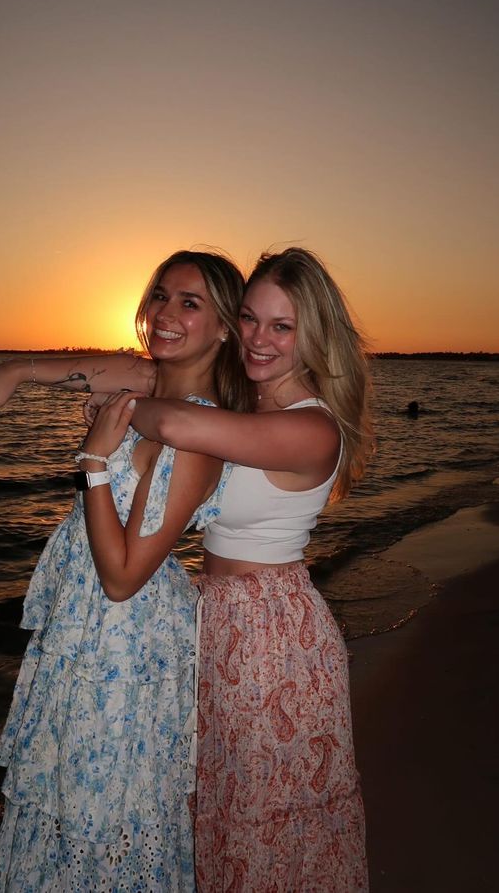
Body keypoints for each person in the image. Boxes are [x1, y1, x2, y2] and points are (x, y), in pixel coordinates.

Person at [0, 251, 252, 892]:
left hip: (126, 637)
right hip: (84, 627)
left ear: (227, 327)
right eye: (161, 295)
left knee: (105, 809)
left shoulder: (196, 432)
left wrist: (95, 463)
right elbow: (81, 366)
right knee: (65, 795)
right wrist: (12, 372)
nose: (166, 314)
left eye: (190, 303)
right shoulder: (146, 382)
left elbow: (124, 574)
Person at [116, 247, 372, 892]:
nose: (259, 339)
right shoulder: (242, 406)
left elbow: (173, 418)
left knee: (266, 823)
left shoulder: (313, 429)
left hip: (272, 639)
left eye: (282, 327)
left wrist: (111, 416)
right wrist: (16, 372)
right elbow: (141, 378)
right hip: (221, 624)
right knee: (225, 814)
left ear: (313, 336)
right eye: (251, 319)